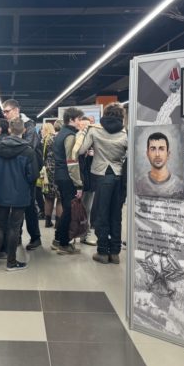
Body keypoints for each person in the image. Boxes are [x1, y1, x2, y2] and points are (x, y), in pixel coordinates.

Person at [0, 118, 39, 272]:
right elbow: (33, 175)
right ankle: (11, 262)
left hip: (1, 191)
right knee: (14, 227)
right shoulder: (28, 151)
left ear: (9, 129)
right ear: (24, 131)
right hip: (20, 193)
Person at [77, 102, 128, 264]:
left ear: (105, 114)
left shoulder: (94, 130)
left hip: (100, 175)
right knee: (116, 214)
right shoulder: (126, 132)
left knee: (101, 214)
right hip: (119, 176)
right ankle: (115, 252)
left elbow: (81, 150)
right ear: (121, 116)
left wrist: (83, 132)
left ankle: (102, 252)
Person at [1, 99, 42, 251]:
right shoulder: (9, 126)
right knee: (14, 206)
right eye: (3, 112)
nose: (5, 114)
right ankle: (16, 236)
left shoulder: (29, 126)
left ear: (16, 110)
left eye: (7, 111)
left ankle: (35, 237)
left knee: (29, 205)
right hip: (13, 171)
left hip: (27, 171)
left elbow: (29, 147)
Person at [52, 107, 84, 254]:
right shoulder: (70, 136)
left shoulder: (60, 134)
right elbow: (72, 161)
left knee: (66, 209)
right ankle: (63, 244)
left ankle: (58, 239)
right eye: (79, 119)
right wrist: (78, 183)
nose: (80, 122)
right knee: (69, 210)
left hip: (60, 175)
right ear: (71, 119)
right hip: (67, 176)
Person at [135, 132, 184, 199]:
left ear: (168, 154)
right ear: (147, 154)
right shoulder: (138, 184)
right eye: (153, 149)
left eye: (161, 149)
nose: (157, 154)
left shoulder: (180, 186)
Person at [73, 116, 97, 246]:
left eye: (89, 126)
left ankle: (84, 234)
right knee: (75, 208)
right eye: (84, 126)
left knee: (87, 209)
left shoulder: (94, 142)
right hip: (79, 180)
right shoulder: (76, 141)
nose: (87, 129)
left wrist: (93, 155)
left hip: (90, 180)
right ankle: (74, 233)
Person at [40, 122, 61, 228]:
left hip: (47, 171)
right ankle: (58, 223)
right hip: (58, 169)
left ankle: (47, 221)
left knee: (48, 197)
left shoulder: (43, 140)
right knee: (60, 198)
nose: (41, 131)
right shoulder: (57, 139)